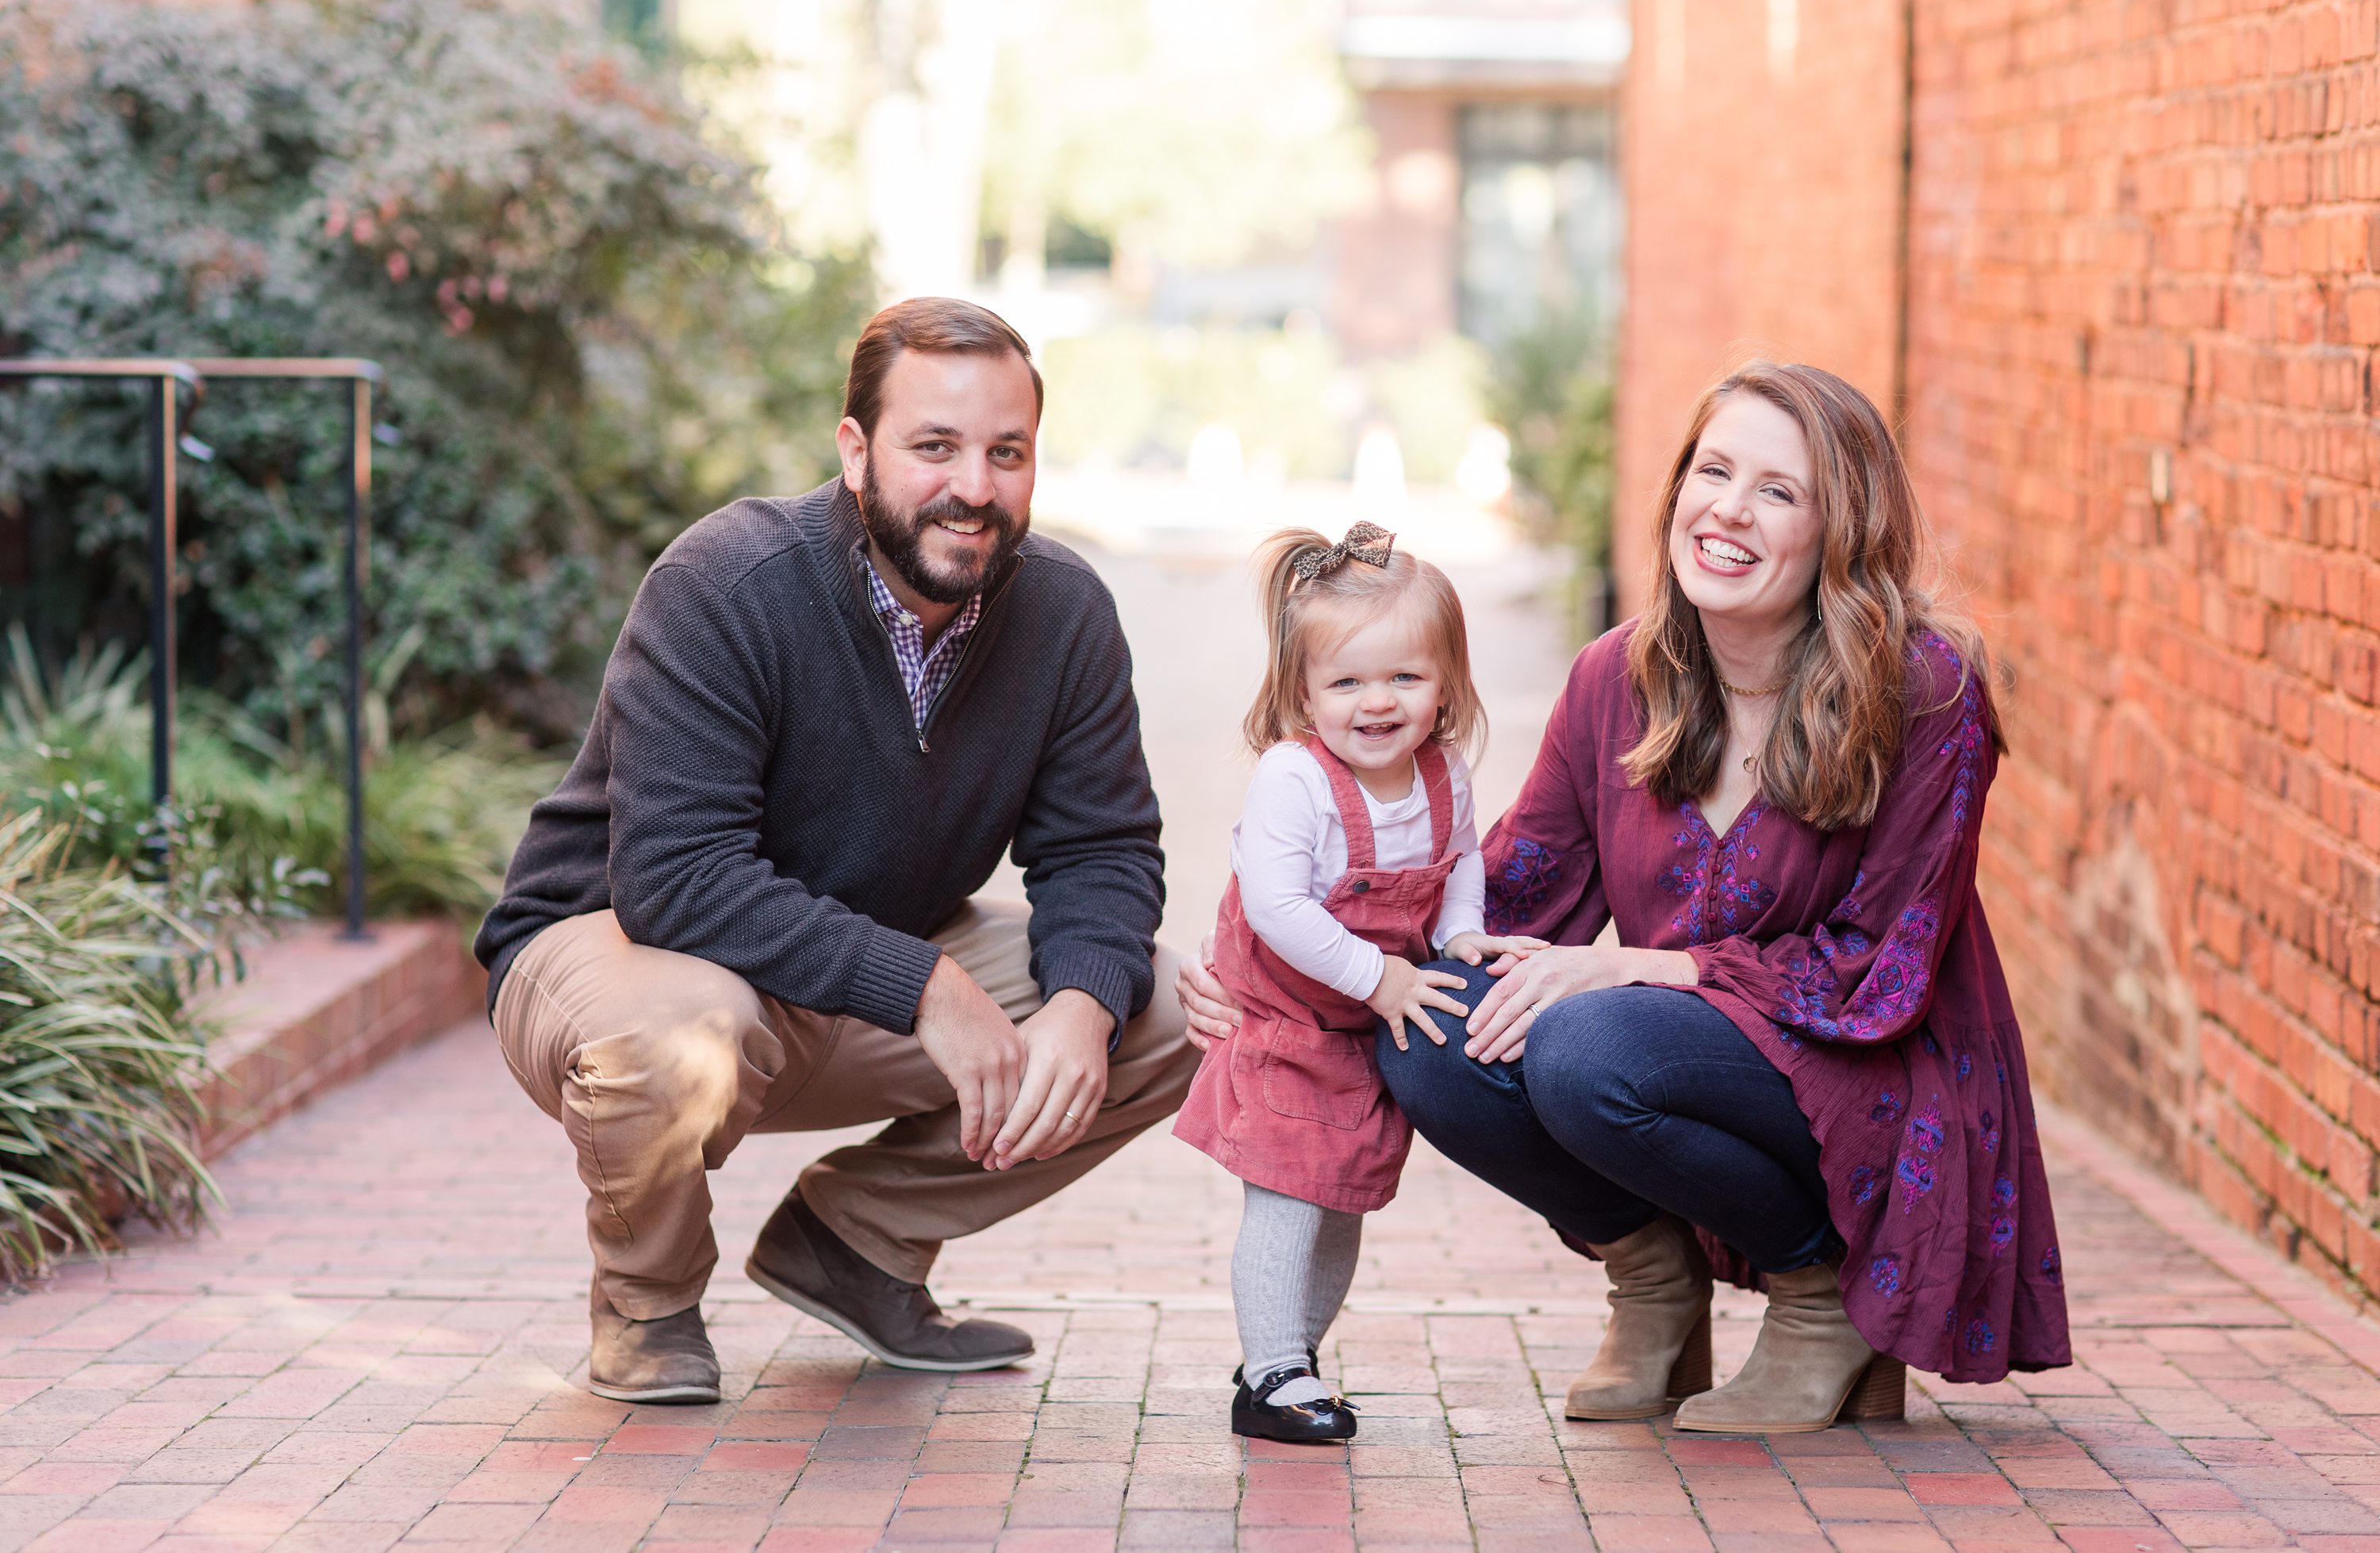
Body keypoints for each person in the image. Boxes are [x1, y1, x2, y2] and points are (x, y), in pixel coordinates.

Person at [1179, 362, 2071, 1432]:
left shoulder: (1925, 693)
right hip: (1678, 1048)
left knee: (1586, 1049)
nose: (1729, 510)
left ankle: (1824, 1299)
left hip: (1872, 1069)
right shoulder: (1619, 677)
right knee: (1431, 1032)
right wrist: (1266, 963)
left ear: (1845, 526)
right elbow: (1509, 896)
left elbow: (1882, 963)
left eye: (1778, 491)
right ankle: (1654, 1288)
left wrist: (1635, 966)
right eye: (1714, 469)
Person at [475, 297, 1198, 1405]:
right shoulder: (726, 584)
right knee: (681, 1034)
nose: (974, 486)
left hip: (852, 974)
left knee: (1163, 1010)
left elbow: (1101, 850)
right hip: (618, 953)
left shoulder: (1063, 613)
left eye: (1006, 452)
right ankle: (647, 1303)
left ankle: (854, 1245)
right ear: (856, 451)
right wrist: (924, 986)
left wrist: (1081, 1007)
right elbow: (674, 877)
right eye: (935, 446)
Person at [1173, 523, 1545, 1443]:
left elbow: (1460, 862)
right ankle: (1270, 1376)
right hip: (1288, 1017)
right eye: (1346, 681)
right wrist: (1382, 975)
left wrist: (1461, 935)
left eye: (1405, 678)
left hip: (1360, 1029)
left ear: (1447, 680)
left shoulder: (1444, 772)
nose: (1377, 702)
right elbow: (1277, 908)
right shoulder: (1293, 779)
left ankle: (1289, 1352)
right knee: (1289, 1197)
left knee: (1343, 1198)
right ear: (1302, 691)